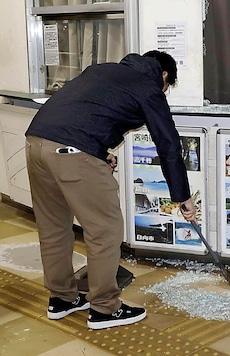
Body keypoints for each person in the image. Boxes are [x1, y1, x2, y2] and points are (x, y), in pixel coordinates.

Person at [25, 50, 198, 330]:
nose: (163, 92)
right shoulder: (149, 87)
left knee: (53, 227)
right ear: (164, 75)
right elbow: (167, 144)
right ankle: (105, 308)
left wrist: (97, 151)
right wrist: (182, 196)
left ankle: (63, 299)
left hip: (36, 144)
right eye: (167, 87)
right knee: (105, 230)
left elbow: (85, 113)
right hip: (71, 151)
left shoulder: (100, 70)